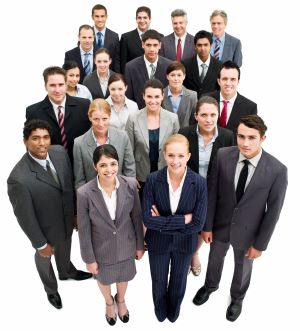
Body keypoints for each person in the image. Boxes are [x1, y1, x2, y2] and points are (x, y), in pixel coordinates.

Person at [193, 115, 288, 322]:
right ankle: (210, 286)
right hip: (220, 225)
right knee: (215, 258)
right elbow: (212, 192)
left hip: (249, 232)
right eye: (241, 136)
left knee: (242, 266)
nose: (245, 143)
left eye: (252, 138)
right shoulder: (223, 155)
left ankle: (237, 298)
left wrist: (260, 244)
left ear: (263, 138)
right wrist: (207, 226)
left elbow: (273, 212)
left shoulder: (277, 170)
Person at [7, 120, 92, 310]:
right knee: (44, 259)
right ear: (25, 141)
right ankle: (51, 289)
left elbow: (68, 186)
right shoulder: (18, 179)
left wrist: (75, 213)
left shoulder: (59, 152)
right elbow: (25, 217)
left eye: (45, 137)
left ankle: (67, 271)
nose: (42, 143)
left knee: (65, 247)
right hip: (45, 231)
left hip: (66, 219)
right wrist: (40, 244)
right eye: (35, 138)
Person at [142, 134, 207, 322]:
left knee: (179, 282)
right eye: (171, 155)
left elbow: (198, 224)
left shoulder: (200, 183)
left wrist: (161, 222)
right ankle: (160, 313)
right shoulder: (153, 179)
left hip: (185, 244)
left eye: (180, 156)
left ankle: (174, 312)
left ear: (188, 156)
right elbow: (147, 218)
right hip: (158, 244)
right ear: (164, 155)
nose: (175, 161)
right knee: (158, 281)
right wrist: (183, 220)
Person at [77, 144, 144, 325]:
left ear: (118, 163)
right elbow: (83, 229)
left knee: (124, 276)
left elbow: (136, 218)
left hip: (126, 245)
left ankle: (121, 299)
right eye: (103, 165)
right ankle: (109, 302)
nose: (109, 170)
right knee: (104, 278)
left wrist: (140, 245)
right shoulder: (84, 193)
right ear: (95, 167)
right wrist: (88, 258)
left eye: (113, 164)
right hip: (101, 249)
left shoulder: (130, 185)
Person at [179, 96, 234, 276]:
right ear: (196, 116)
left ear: (218, 115)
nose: (208, 119)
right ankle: (186, 253)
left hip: (213, 191)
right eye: (204, 115)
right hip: (188, 188)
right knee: (188, 223)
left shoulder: (227, 136)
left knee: (203, 224)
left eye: (212, 115)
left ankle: (194, 253)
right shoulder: (185, 133)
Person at [125, 79, 179, 199]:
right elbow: (128, 151)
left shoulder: (173, 119)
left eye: (156, 96)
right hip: (141, 176)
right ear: (143, 96)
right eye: (149, 96)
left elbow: (177, 149)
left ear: (162, 96)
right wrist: (131, 176)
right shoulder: (133, 119)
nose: (153, 101)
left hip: (166, 174)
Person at [26, 66, 90, 164]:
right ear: (45, 86)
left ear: (66, 85)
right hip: (52, 167)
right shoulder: (33, 112)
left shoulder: (84, 106)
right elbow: (31, 144)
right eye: (52, 85)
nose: (57, 90)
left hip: (82, 165)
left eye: (61, 84)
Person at [73, 98, 135, 190]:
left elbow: (130, 170)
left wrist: (128, 194)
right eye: (96, 119)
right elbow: (80, 180)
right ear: (90, 117)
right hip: (93, 197)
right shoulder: (79, 143)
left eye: (104, 119)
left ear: (110, 116)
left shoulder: (123, 137)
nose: (100, 124)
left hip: (120, 192)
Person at [206, 61, 257, 136]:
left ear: (238, 81)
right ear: (218, 81)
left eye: (232, 79)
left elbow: (250, 135)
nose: (228, 83)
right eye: (224, 79)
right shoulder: (206, 100)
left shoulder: (250, 107)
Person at [125, 29, 172, 109]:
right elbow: (129, 96)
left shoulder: (169, 66)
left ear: (160, 45)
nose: (152, 49)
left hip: (163, 114)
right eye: (148, 45)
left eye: (155, 45)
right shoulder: (131, 67)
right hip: (139, 113)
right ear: (143, 45)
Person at [182, 30, 222, 99]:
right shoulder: (185, 64)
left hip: (211, 105)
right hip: (191, 105)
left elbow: (220, 89)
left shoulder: (220, 66)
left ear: (211, 46)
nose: (202, 48)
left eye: (206, 45)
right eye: (199, 45)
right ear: (195, 46)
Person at [162, 61, 197, 128]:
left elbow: (193, 120)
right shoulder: (160, 94)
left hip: (184, 136)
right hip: (165, 136)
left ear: (184, 76)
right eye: (172, 75)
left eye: (179, 75)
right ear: (167, 76)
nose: (176, 79)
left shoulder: (192, 96)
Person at [120, 6, 152, 74]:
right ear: (136, 19)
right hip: (133, 78)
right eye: (139, 18)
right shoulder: (126, 38)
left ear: (150, 19)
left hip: (153, 80)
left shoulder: (159, 37)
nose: (142, 20)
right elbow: (123, 64)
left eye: (145, 18)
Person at [91, 4, 120, 73]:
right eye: (97, 16)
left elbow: (117, 60)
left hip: (109, 76)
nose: (100, 19)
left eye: (102, 16)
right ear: (92, 17)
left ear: (106, 17)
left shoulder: (114, 36)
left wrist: (118, 77)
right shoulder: (86, 35)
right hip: (90, 77)